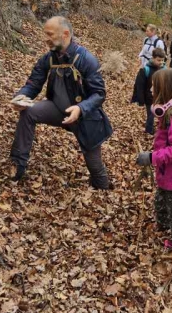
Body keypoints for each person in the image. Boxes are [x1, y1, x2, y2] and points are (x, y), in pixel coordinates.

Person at [10, 16, 112, 189]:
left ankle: (103, 190)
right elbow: (34, 83)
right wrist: (21, 96)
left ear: (65, 34)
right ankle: (17, 165)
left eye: (50, 34)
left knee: (95, 166)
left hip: (85, 118)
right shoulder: (48, 58)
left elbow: (99, 94)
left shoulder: (86, 59)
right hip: (58, 109)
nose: (46, 39)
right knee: (28, 112)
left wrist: (81, 108)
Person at [134, 69, 172, 251]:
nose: (151, 89)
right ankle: (162, 224)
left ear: (164, 89)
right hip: (166, 172)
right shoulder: (168, 111)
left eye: (155, 86)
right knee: (160, 201)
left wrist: (152, 157)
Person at [131, 48, 166, 135]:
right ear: (153, 58)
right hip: (149, 97)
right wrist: (141, 99)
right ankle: (149, 130)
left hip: (161, 97)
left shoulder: (164, 69)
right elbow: (139, 85)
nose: (161, 62)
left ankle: (162, 130)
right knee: (150, 115)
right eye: (158, 60)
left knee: (163, 114)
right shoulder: (146, 70)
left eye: (162, 60)